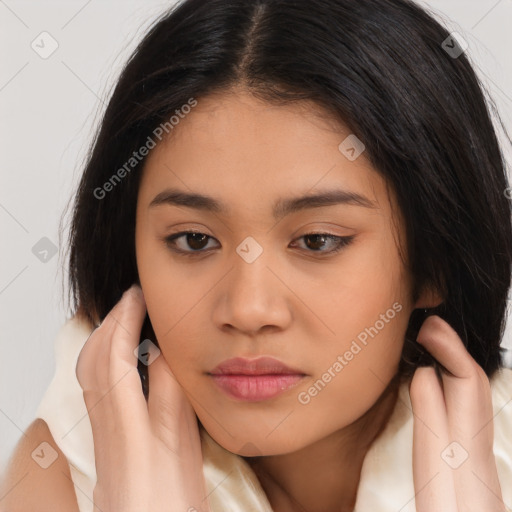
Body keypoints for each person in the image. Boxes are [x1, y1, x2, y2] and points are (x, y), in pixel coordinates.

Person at [2, 0, 512, 510]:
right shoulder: (71, 474)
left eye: (317, 240)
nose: (247, 310)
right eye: (194, 240)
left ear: (434, 260)